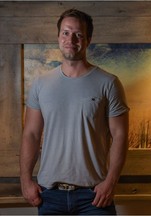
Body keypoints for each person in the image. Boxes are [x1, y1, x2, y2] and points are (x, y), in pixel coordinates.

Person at [20, 8, 129, 215]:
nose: (71, 39)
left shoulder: (109, 83)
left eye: (78, 34)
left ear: (88, 40)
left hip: (94, 197)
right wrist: (25, 180)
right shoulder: (41, 84)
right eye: (66, 32)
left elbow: (120, 135)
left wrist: (111, 183)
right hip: (49, 195)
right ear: (58, 37)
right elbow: (31, 135)